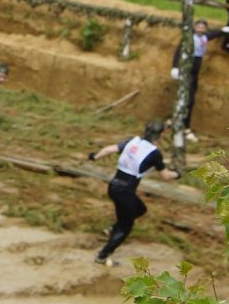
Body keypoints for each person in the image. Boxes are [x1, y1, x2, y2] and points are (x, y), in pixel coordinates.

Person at [85, 120, 180, 267]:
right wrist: (177, 174)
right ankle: (103, 256)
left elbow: (110, 149)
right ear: (161, 135)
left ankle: (112, 228)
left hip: (114, 186)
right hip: (126, 192)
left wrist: (95, 156)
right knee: (126, 227)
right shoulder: (155, 153)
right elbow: (165, 176)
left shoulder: (133, 141)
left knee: (141, 209)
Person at [169, 19, 210, 120]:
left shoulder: (205, 37)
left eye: (203, 28)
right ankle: (176, 119)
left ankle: (185, 122)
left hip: (195, 71)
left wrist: (227, 30)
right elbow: (178, 51)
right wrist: (175, 67)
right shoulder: (189, 38)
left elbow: (216, 33)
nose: (200, 30)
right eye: (198, 27)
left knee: (191, 98)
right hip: (186, 68)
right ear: (194, 28)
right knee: (183, 95)